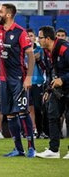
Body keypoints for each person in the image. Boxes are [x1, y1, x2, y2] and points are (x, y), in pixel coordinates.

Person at [0, 3, 36, 158]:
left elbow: (30, 56)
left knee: (23, 112)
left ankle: (31, 147)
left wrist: (28, 77)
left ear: (9, 15)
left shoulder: (20, 32)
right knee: (9, 115)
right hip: (3, 79)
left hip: (18, 78)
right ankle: (19, 149)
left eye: (1, 11)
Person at [36, 26, 69, 159]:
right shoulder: (46, 51)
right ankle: (54, 150)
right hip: (57, 89)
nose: (38, 40)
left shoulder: (64, 49)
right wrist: (48, 90)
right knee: (52, 115)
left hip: (66, 85)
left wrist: (63, 79)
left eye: (40, 37)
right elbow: (50, 72)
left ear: (48, 39)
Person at [26, 29, 46, 138]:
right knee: (25, 109)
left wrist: (39, 60)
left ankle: (40, 131)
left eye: (31, 36)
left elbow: (45, 67)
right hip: (25, 82)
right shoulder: (22, 50)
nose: (29, 38)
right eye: (27, 36)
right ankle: (27, 131)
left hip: (37, 82)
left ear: (35, 38)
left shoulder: (40, 50)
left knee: (38, 108)